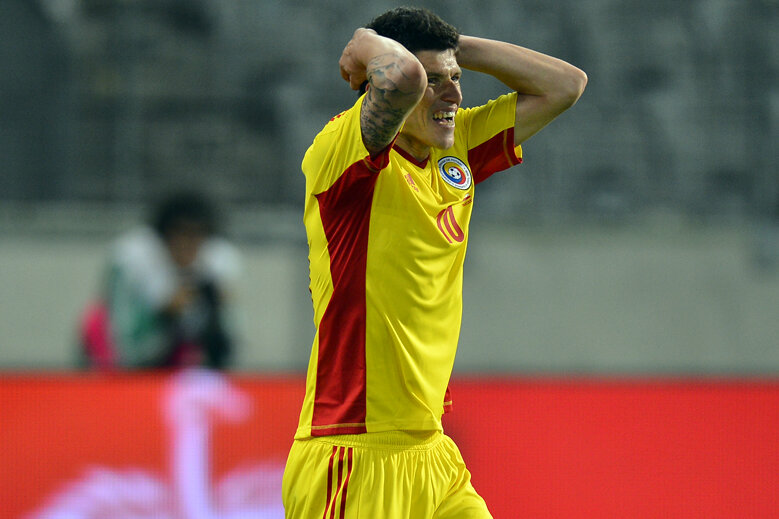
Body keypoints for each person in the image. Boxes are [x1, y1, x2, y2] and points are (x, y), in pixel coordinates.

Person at [282, 7, 586, 518]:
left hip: (433, 452)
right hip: (353, 450)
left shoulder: (456, 147)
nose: (453, 95)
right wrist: (365, 41)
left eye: (456, 79)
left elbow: (566, 85)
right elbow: (401, 78)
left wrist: (450, 47)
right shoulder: (345, 151)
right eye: (435, 81)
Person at [79, 191, 242, 370]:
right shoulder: (132, 258)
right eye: (180, 234)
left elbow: (227, 336)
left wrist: (214, 303)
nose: (186, 245)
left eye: (195, 236)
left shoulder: (219, 258)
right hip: (123, 345)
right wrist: (163, 311)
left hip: (177, 356)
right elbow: (121, 332)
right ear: (164, 235)